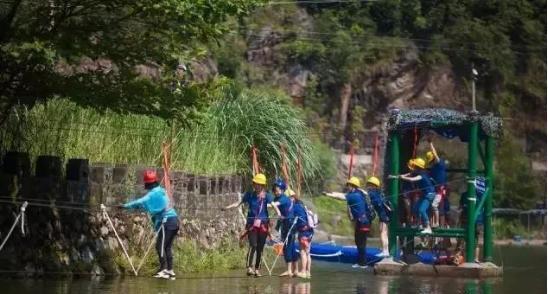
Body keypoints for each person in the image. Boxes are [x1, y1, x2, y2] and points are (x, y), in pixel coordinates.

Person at [121, 170, 179, 279]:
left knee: (160, 246)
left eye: (146, 183)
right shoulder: (162, 191)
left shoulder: (153, 193)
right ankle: (170, 270)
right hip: (174, 221)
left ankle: (163, 270)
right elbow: (153, 206)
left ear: (149, 184)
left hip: (167, 222)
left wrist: (125, 206)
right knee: (167, 247)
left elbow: (140, 201)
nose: (145, 185)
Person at [223, 173, 281, 277]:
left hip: (263, 225)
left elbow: (273, 206)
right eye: (255, 184)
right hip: (251, 225)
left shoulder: (267, 196)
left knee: (260, 248)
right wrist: (226, 208)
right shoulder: (249, 195)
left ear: (262, 186)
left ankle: (257, 269)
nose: (256, 186)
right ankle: (249, 267)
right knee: (253, 245)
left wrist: (279, 214)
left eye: (259, 184)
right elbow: (238, 203)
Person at [399, 158, 436, 234]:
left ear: (418, 167)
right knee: (415, 209)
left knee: (421, 210)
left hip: (429, 194)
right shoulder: (417, 173)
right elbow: (408, 174)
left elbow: (412, 179)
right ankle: (420, 224)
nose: (413, 167)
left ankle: (428, 227)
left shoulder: (422, 175)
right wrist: (397, 176)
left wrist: (403, 178)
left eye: (414, 166)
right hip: (424, 194)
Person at [271, 180, 299, 277]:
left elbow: (274, 205)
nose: (276, 192)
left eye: (278, 190)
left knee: (288, 247)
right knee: (291, 246)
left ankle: (289, 271)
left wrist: (267, 205)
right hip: (286, 224)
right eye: (274, 190)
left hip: (289, 225)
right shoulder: (278, 198)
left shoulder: (283, 198)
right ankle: (295, 270)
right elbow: (276, 208)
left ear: (283, 190)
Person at [366, 176, 390, 258]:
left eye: (369, 184)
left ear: (374, 185)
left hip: (383, 216)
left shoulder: (372, 194)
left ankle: (385, 251)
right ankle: (385, 250)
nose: (368, 186)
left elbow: (372, 203)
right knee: (385, 233)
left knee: (383, 233)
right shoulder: (379, 193)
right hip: (385, 215)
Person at [426, 140, 448, 228]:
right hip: (434, 190)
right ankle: (432, 224)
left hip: (441, 189)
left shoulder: (440, 164)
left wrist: (430, 142)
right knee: (432, 207)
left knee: (440, 207)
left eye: (432, 161)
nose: (431, 163)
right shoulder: (432, 169)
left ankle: (441, 226)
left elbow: (435, 154)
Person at [293, 192, 313, 279]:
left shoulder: (295, 207)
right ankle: (308, 272)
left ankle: (303, 272)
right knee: (308, 252)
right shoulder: (302, 205)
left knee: (303, 251)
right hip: (310, 232)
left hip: (303, 233)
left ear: (293, 198)